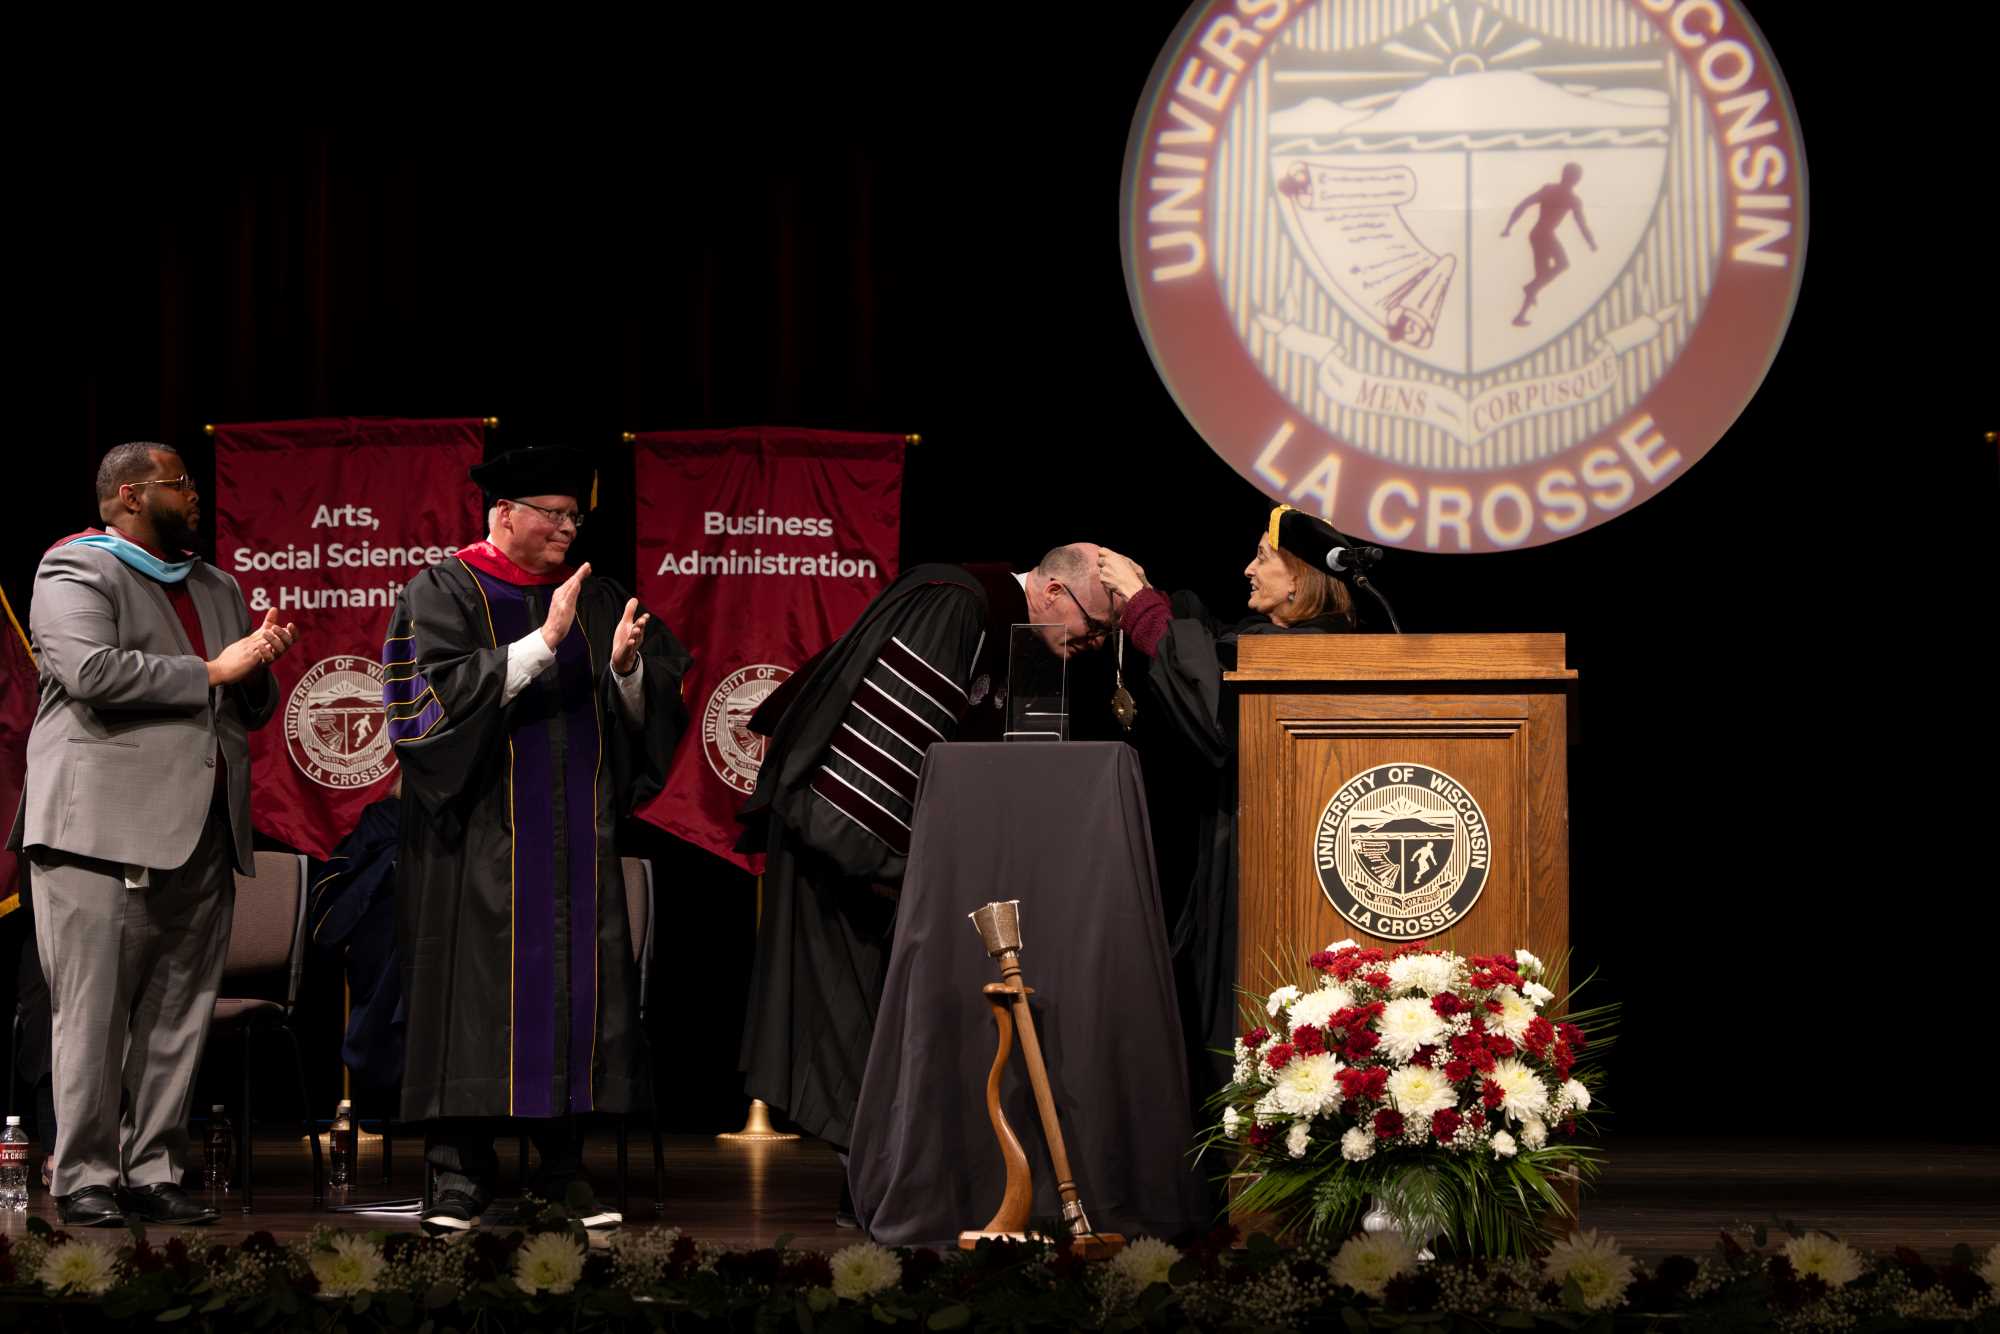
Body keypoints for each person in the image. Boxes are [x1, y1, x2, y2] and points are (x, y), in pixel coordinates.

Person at [735, 544, 1118, 1215]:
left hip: (889, 860)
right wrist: (892, 863)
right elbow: (890, 738)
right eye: (1094, 625)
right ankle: (876, 1192)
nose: (1095, 643)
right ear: (1055, 591)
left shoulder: (1016, 640)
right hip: (844, 843)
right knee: (849, 1024)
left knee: (882, 1026)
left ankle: (883, 1188)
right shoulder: (958, 601)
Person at [382, 445, 690, 1234]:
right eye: (553, 515)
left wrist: (625, 673)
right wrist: (542, 643)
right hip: (475, 840)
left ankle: (561, 1173)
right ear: (504, 515)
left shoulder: (597, 596)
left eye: (574, 517)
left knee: (575, 997)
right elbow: (421, 711)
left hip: (577, 841)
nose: (567, 529)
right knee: (470, 996)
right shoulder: (442, 590)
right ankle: (457, 1175)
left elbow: (649, 711)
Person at [7, 441, 296, 1227]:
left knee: (178, 1014)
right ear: (131, 495)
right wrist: (215, 669)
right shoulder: (75, 569)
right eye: (179, 483)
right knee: (93, 1014)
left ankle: (154, 1168)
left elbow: (243, 702)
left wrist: (259, 663)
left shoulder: (216, 583)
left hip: (200, 829)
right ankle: (85, 1175)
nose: (194, 494)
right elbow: (91, 671)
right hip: (98, 832)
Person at [1096, 505, 1356, 1113]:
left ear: (1299, 582)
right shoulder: (1275, 645)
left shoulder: (1306, 655)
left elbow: (1210, 707)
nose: (1247, 569)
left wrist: (1142, 606)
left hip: (1273, 872)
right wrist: (1154, 600)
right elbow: (1212, 648)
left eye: (1262, 557)